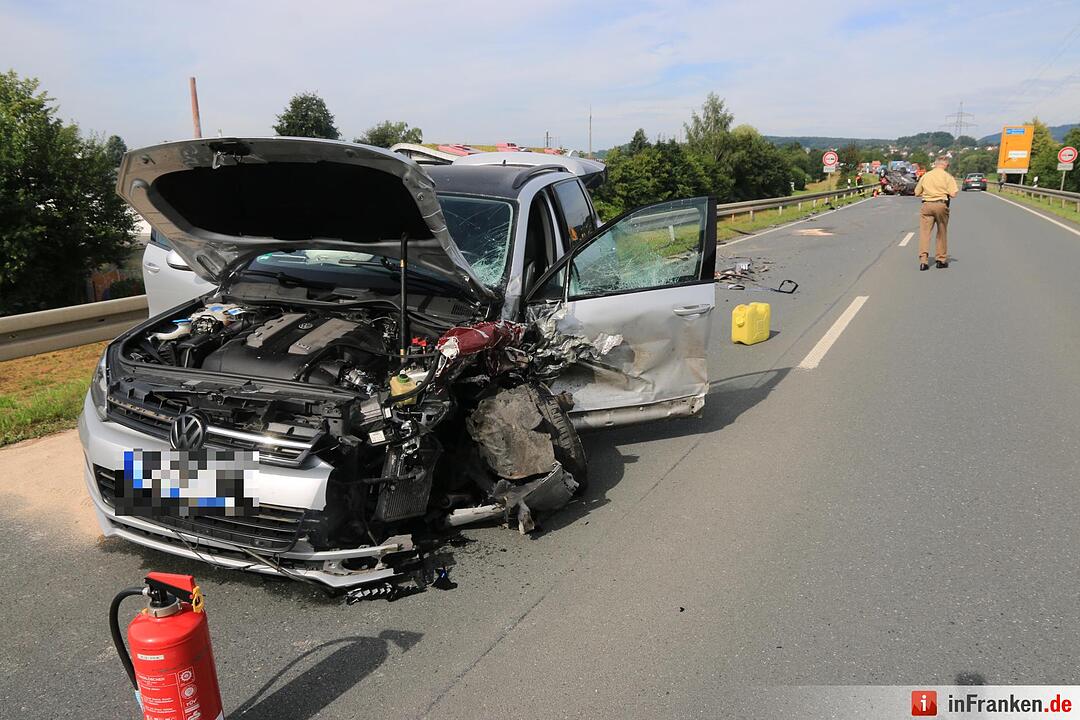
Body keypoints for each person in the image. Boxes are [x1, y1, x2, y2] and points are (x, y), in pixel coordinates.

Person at [913, 157, 958, 270]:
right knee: (941, 232)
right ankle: (941, 260)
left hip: (927, 205)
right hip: (941, 205)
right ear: (945, 165)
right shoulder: (947, 177)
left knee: (925, 233)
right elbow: (953, 194)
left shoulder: (926, 176)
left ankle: (923, 261)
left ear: (935, 164)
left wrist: (928, 193)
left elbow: (916, 192)